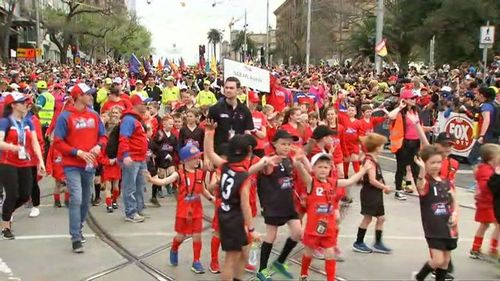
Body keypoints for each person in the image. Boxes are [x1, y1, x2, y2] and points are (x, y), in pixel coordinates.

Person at [295, 151, 369, 281]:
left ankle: (330, 278)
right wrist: (298, 161)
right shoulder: (311, 183)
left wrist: (363, 170)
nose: (323, 169)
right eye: (319, 166)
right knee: (308, 253)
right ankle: (303, 274)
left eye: (326, 167)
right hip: (312, 230)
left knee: (330, 255)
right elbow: (301, 171)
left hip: (329, 229)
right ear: (313, 169)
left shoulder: (332, 183)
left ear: (330, 169)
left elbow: (349, 181)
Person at [53, 83, 106, 253]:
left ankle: (80, 227)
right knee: (75, 198)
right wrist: (77, 152)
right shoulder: (65, 117)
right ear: (78, 96)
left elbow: (103, 136)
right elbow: (58, 142)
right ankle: (75, 237)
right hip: (72, 165)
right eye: (87, 94)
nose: (91, 96)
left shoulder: (94, 115)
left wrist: (99, 146)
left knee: (85, 199)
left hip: (90, 164)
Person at [256, 130, 303, 281]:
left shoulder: (288, 160)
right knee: (271, 235)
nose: (287, 147)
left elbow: (289, 181)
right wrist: (264, 162)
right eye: (283, 144)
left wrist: (298, 196)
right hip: (273, 205)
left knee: (297, 232)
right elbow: (261, 167)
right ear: (274, 143)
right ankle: (262, 269)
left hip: (288, 204)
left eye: (289, 144)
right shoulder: (269, 161)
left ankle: (279, 262)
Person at [0, 92, 45, 239]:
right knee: (13, 194)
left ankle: (6, 212)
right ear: (13, 105)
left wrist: (41, 161)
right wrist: (14, 147)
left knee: (25, 194)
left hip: (24, 161)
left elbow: (34, 142)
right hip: (7, 162)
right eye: (22, 102)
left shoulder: (28, 121)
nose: (26, 104)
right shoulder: (5, 122)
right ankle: (6, 226)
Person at [412, 145, 458, 281]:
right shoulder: (426, 183)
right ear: (424, 162)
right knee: (437, 260)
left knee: (445, 261)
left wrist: (455, 214)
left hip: (449, 228)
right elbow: (420, 186)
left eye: (439, 162)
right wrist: (421, 169)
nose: (436, 166)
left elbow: (454, 201)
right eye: (432, 162)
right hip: (434, 228)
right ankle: (419, 277)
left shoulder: (447, 182)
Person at [388, 85, 433, 201]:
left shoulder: (416, 111)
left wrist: (430, 128)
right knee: (401, 168)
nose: (414, 100)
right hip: (403, 144)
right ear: (405, 100)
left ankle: (421, 191)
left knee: (416, 168)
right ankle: (398, 191)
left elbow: (419, 127)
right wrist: (400, 107)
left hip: (416, 143)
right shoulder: (400, 113)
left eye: (415, 98)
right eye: (412, 98)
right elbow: (390, 116)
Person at [352, 133, 392, 254]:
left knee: (381, 218)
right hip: (370, 194)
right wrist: (384, 186)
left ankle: (378, 243)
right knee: (368, 218)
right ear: (376, 147)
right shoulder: (369, 161)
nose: (382, 148)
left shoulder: (374, 159)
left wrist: (383, 187)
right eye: (381, 146)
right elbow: (372, 180)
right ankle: (358, 242)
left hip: (376, 193)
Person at [118, 94, 151, 223]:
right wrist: (126, 155)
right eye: (144, 103)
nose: (146, 106)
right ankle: (131, 212)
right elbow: (124, 138)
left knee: (140, 184)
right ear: (137, 104)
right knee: (130, 185)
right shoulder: (129, 119)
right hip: (132, 157)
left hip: (139, 157)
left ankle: (137, 209)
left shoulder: (136, 119)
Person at [207, 77, 254, 152]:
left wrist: (249, 154)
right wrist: (207, 156)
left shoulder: (245, 110)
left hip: (239, 152)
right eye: (226, 88)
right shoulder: (215, 109)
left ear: (238, 90)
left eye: (231, 88)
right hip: (220, 152)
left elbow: (247, 133)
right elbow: (208, 133)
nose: (228, 90)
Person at [470, 144, 500, 259]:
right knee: (489, 225)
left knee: (487, 225)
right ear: (492, 158)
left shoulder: (488, 169)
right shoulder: (486, 171)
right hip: (487, 203)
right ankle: (488, 249)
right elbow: (486, 186)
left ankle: (478, 248)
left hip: (488, 202)